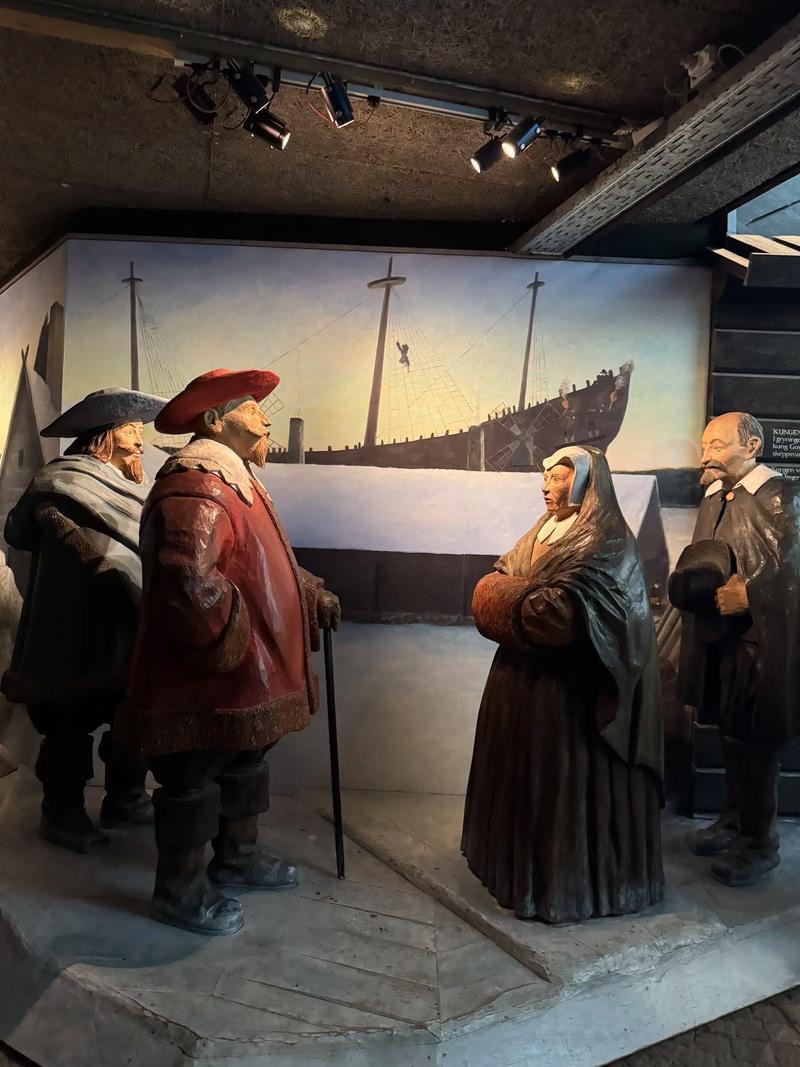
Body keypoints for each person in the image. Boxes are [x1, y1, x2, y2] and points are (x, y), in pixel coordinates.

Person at [116, 367, 341, 936]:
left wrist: (308, 592)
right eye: (251, 408)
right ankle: (180, 890)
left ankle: (236, 857)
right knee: (191, 777)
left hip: (246, 673)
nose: (265, 418)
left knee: (244, 760)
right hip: (210, 676)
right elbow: (188, 585)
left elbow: (262, 563)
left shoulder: (235, 481)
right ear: (215, 420)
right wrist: (231, 644)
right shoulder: (198, 487)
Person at [463, 445, 664, 923]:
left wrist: (504, 595)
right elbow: (491, 586)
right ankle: (516, 873)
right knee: (527, 784)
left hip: (573, 697)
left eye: (557, 478)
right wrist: (510, 594)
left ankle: (570, 887)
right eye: (546, 477)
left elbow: (554, 616)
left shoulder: (606, 541)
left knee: (565, 792)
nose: (546, 486)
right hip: (523, 686)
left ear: (586, 483)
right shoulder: (543, 529)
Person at [1, 387, 167, 852]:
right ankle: (62, 813)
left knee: (128, 713)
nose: (140, 441)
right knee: (68, 721)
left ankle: (126, 799)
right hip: (71, 623)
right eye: (131, 431)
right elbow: (21, 529)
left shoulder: (134, 488)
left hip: (124, 618)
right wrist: (61, 526)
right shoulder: (65, 478)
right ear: (104, 436)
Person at [669, 411, 800, 886]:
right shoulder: (714, 497)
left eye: (718, 446)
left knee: (756, 742)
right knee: (729, 733)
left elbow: (795, 570)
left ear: (752, 446)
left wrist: (752, 595)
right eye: (705, 446)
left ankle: (760, 842)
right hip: (719, 640)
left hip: (760, 642)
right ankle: (732, 821)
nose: (706, 455)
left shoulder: (782, 496)